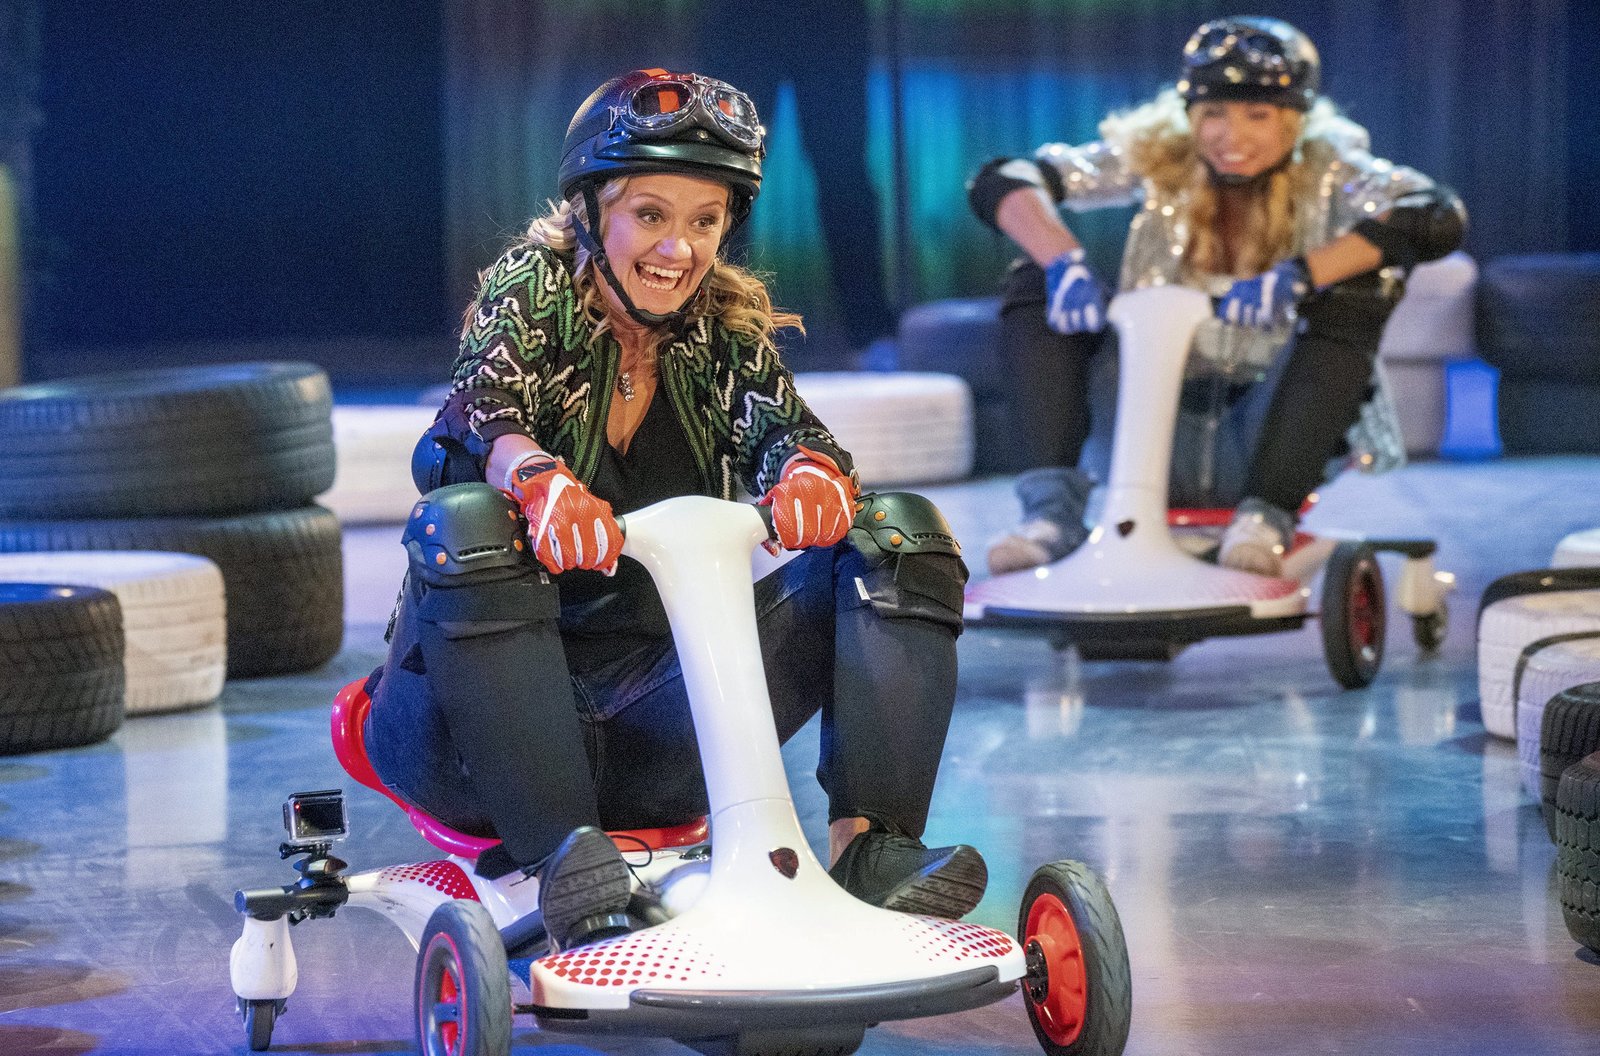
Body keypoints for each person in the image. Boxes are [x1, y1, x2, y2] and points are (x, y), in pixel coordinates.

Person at [363, 69, 984, 951]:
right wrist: (536, 478)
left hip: (655, 718)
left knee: (898, 534)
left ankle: (871, 855)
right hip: (465, 733)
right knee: (467, 523)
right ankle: (564, 865)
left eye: (705, 221)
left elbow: (784, 428)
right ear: (591, 210)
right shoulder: (534, 284)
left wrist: (808, 472)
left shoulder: (719, 326)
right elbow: (482, 406)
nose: (679, 249)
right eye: (651, 214)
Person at [967, 15, 1466, 577]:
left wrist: (1303, 274)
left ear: (1295, 118)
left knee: (1362, 288)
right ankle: (1051, 515)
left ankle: (1265, 519)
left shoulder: (1332, 165)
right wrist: (1063, 260)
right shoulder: (1158, 152)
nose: (1232, 137)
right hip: (1143, 426)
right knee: (1034, 280)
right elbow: (1002, 178)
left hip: (1269, 427)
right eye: (1214, 114)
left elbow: (1436, 215)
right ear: (1190, 115)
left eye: (1258, 115)